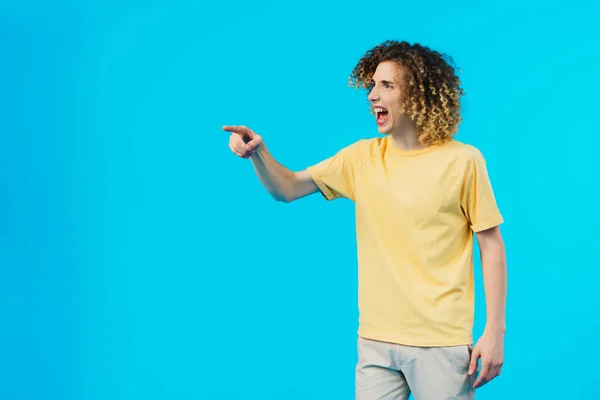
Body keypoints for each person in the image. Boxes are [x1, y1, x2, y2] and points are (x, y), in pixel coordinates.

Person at [223, 40, 507, 400]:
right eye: (372, 84)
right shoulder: (361, 158)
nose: (372, 94)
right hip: (375, 340)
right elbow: (287, 188)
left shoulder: (463, 161)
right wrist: (258, 153)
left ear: (418, 94)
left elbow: (491, 245)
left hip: (440, 342)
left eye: (386, 85)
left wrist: (494, 332)